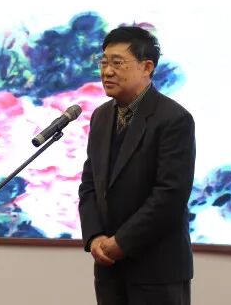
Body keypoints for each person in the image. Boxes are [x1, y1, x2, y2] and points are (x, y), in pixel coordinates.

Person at [78, 26, 196, 305]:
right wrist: (95, 237)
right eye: (104, 62)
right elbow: (90, 184)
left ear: (147, 67)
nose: (107, 71)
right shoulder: (101, 116)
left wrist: (121, 243)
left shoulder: (173, 119)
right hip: (108, 269)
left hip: (157, 270)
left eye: (117, 63)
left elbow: (170, 194)